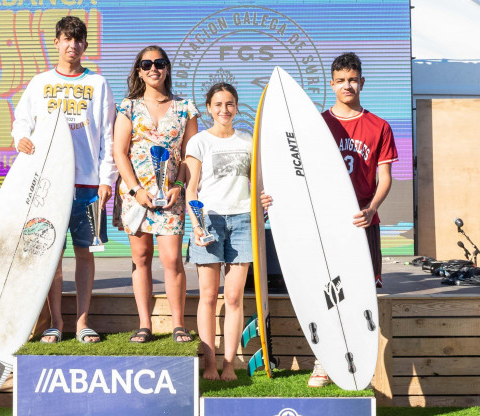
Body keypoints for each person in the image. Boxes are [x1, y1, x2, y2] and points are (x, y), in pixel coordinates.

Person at [262, 52, 398, 386]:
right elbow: (292, 171)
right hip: (322, 225)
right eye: (340, 80)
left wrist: (373, 208)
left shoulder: (379, 126)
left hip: (359, 223)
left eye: (353, 79)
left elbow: (385, 177)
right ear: (332, 84)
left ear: (362, 82)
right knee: (323, 290)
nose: (347, 85)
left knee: (360, 291)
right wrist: (273, 197)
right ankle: (324, 361)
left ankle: (364, 362)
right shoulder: (316, 124)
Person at [12, 15, 116, 344]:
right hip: (47, 184)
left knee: (85, 253)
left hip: (87, 183)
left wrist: (106, 179)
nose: (72, 45)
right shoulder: (40, 82)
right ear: (56, 43)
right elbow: (21, 122)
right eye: (66, 39)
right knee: (51, 255)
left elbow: (109, 136)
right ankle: (55, 322)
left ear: (85, 45)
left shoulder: (97, 84)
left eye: (78, 39)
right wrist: (20, 140)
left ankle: (83, 322)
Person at [112, 45, 199, 343]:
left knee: (173, 259)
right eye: (146, 64)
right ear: (139, 70)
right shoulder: (128, 106)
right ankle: (144, 324)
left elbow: (191, 155)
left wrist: (180, 186)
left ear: (167, 68)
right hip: (137, 197)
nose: (153, 68)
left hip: (171, 197)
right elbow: (119, 152)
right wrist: (135, 190)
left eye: (159, 63)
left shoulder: (185, 107)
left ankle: (178, 325)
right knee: (141, 257)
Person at [184, 83, 252, 381]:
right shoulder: (199, 141)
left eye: (229, 104)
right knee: (209, 296)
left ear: (236, 107)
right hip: (209, 221)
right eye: (218, 104)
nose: (224, 110)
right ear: (209, 108)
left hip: (244, 222)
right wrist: (197, 225)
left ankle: (229, 364)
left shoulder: (249, 140)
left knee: (234, 297)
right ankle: (209, 365)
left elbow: (258, 183)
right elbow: (191, 189)